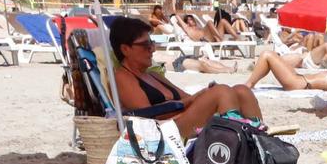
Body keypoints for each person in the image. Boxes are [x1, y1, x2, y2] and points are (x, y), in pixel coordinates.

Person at [108, 17, 262, 140]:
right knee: (221, 92)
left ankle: (261, 142)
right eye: (145, 45)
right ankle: (240, 145)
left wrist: (205, 95)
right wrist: (199, 97)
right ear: (125, 49)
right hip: (162, 131)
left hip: (181, 118)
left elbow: (187, 98)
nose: (152, 49)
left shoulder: (153, 75)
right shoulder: (122, 77)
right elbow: (147, 116)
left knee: (241, 90)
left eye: (152, 43)